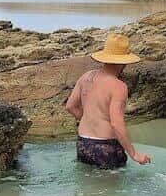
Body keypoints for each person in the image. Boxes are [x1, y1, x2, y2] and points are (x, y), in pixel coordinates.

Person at [64, 33, 151, 169]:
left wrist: (89, 120)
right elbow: (116, 124)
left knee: (87, 188)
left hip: (83, 143)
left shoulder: (86, 76)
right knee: (111, 188)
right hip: (106, 147)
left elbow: (70, 106)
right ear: (124, 61)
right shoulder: (118, 86)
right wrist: (134, 154)